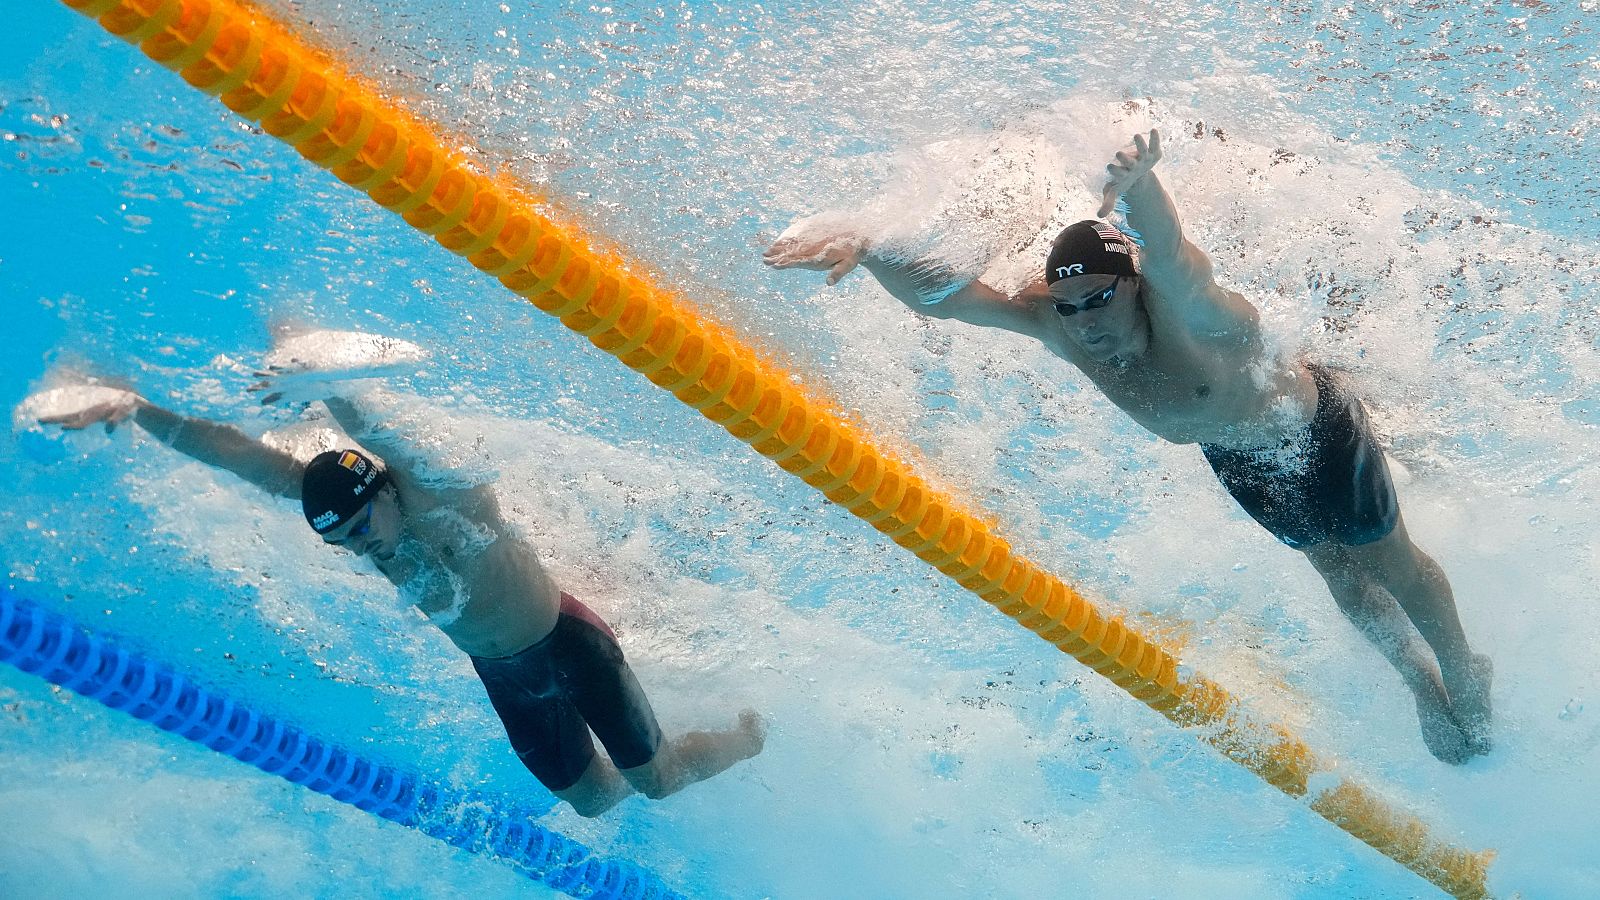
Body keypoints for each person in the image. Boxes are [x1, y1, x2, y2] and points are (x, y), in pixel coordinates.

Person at [764, 128, 1493, 764]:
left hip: (1312, 432)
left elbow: (1172, 253)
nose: (1084, 321)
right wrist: (870, 248)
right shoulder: (1059, 325)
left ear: (1132, 286)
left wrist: (1141, 187)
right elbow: (947, 297)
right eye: (1070, 305)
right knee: (1340, 578)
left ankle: (1463, 670)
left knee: (1387, 560)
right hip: (1239, 459)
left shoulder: (1194, 316)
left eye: (1099, 298)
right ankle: (1419, 685)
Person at [39, 386, 765, 814]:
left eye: (360, 528)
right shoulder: (361, 521)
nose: (360, 547)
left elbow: (378, 426)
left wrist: (324, 381)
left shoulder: (445, 496)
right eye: (342, 542)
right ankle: (648, 747)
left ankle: (743, 734)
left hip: (567, 644)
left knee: (658, 784)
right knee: (597, 803)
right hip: (505, 678)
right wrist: (136, 410)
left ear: (381, 491)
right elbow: (233, 455)